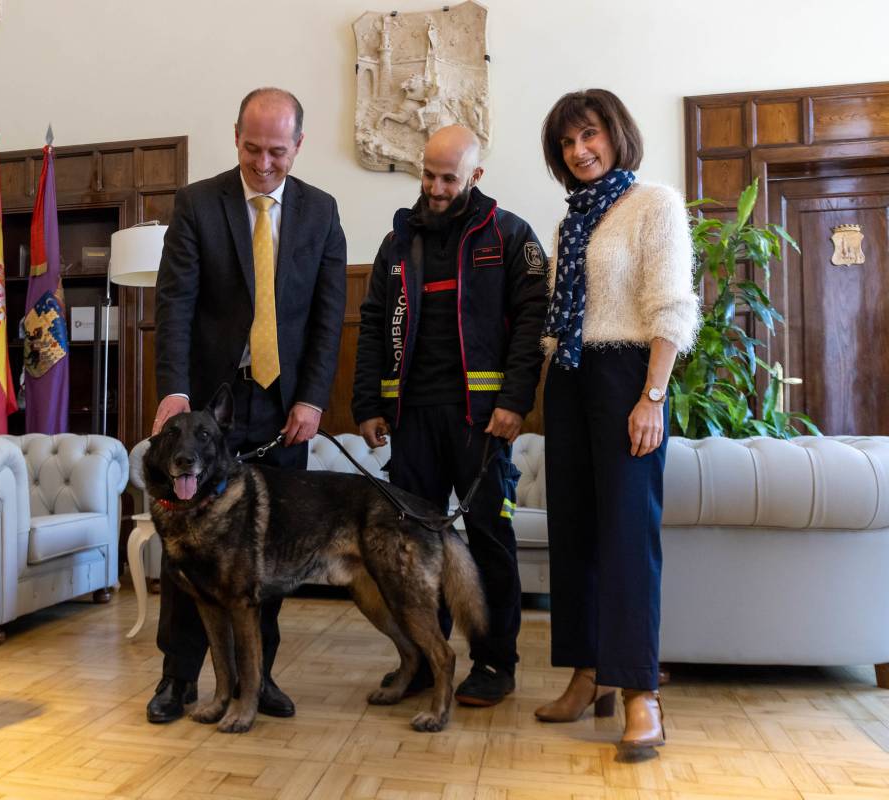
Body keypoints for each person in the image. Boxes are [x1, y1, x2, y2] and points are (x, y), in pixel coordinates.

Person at [147, 87, 347, 724]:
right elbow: (174, 303)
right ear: (235, 137)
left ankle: (257, 679)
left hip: (284, 406)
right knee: (188, 544)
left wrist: (314, 397)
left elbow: (327, 315)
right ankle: (177, 678)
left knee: (270, 554)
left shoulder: (320, 211)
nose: (264, 163)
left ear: (299, 146)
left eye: (278, 151)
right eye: (253, 148)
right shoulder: (198, 204)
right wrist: (175, 390)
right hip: (206, 410)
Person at [352, 125, 549, 707]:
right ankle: (424, 659)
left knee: (488, 542)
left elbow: (533, 321)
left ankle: (496, 662)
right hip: (412, 421)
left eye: (449, 178)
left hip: (482, 423)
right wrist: (367, 403)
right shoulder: (397, 242)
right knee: (413, 549)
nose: (435, 189)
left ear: (475, 177)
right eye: (428, 175)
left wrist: (514, 401)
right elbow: (371, 323)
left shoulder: (509, 236)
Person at [534, 89, 698, 757]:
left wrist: (651, 396)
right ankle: (587, 673)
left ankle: (641, 695)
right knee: (574, 533)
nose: (580, 151)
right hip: (569, 379)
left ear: (616, 135)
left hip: (628, 376)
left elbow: (673, 307)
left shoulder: (652, 204)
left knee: (629, 537)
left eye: (590, 135)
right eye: (568, 142)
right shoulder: (573, 220)